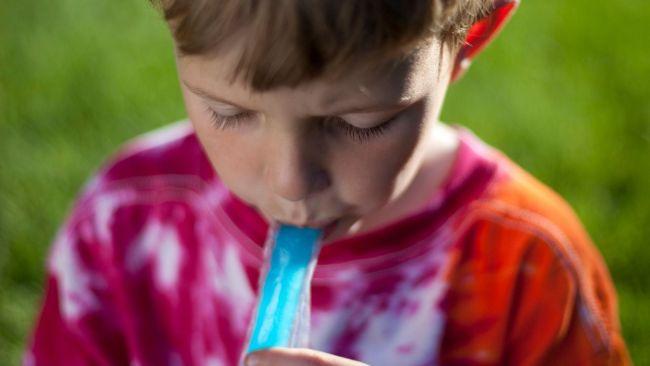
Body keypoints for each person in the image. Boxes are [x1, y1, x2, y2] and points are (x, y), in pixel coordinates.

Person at [24, 0, 632, 365]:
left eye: (358, 122)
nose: (290, 182)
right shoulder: (124, 224)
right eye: (230, 111)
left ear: (472, 33)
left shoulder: (527, 263)